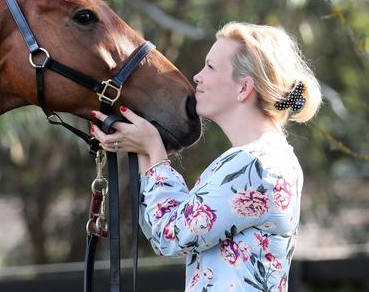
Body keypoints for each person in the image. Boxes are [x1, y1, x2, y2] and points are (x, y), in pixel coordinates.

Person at [90, 22, 322, 292]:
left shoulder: (252, 165)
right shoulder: (273, 158)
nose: (197, 77)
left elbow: (170, 236)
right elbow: (161, 229)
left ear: (244, 88)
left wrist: (153, 148)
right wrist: (145, 148)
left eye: (210, 67)